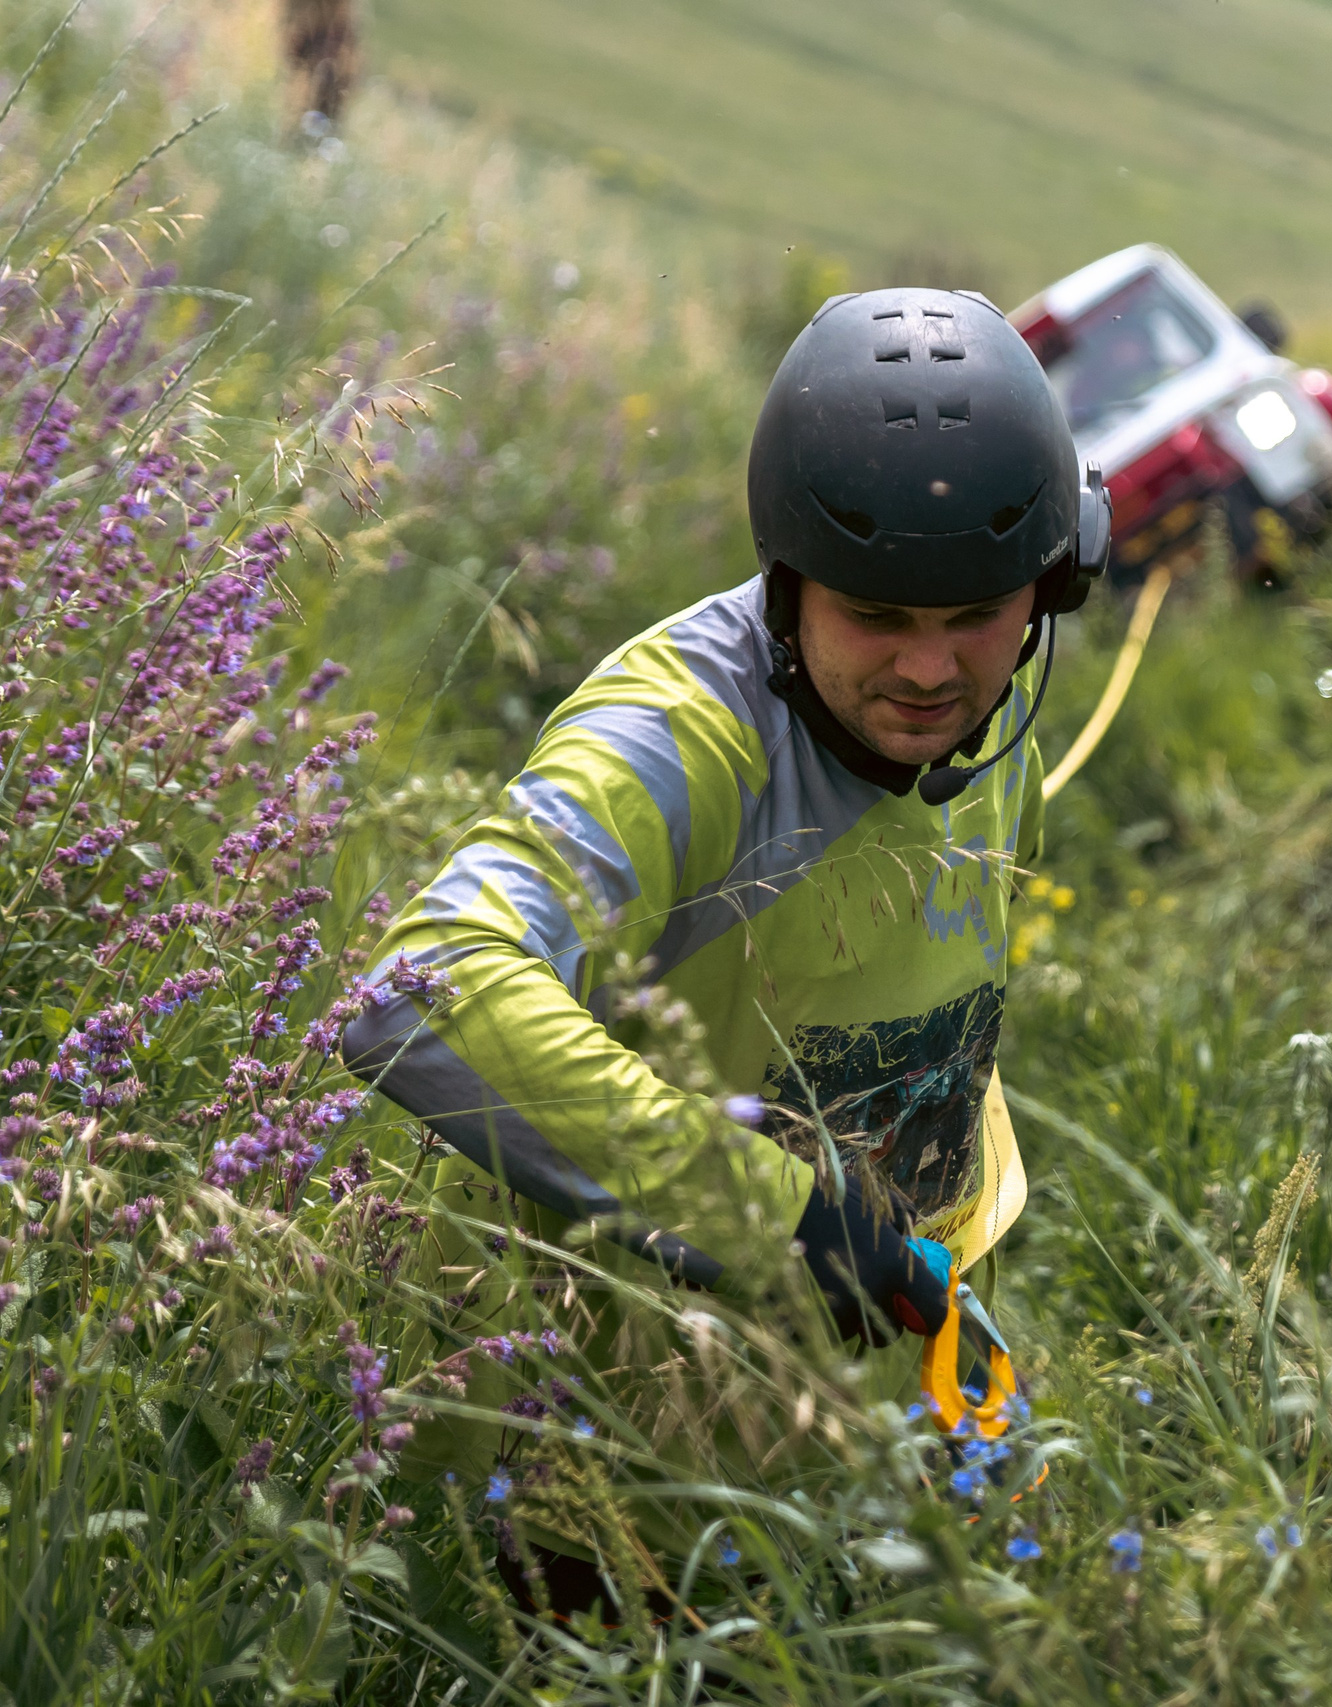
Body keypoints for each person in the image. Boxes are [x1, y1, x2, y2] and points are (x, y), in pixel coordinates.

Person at [341, 286, 1109, 1619]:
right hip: (614, 1452)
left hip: (865, 1385)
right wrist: (791, 1225)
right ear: (789, 579)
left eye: (976, 613)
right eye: (878, 613)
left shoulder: (993, 723)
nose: (932, 669)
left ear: (1050, 587)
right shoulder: (679, 742)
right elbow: (426, 986)